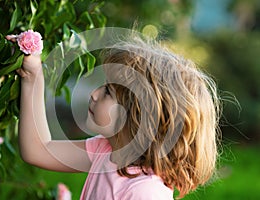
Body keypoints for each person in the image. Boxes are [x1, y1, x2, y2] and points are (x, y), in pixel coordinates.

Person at [12, 32, 221, 199]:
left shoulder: (145, 192)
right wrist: (33, 77)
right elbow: (37, 149)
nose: (94, 94)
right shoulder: (106, 152)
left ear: (139, 118)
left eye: (108, 92)